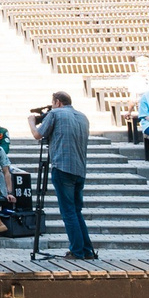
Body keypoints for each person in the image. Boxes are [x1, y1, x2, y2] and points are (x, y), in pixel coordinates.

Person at [33, 91, 97, 259]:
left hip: (62, 167)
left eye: (53, 103)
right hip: (80, 169)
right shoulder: (83, 116)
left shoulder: (55, 113)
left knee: (68, 212)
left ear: (58, 102)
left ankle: (77, 251)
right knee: (76, 211)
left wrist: (32, 122)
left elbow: (38, 135)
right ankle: (87, 250)